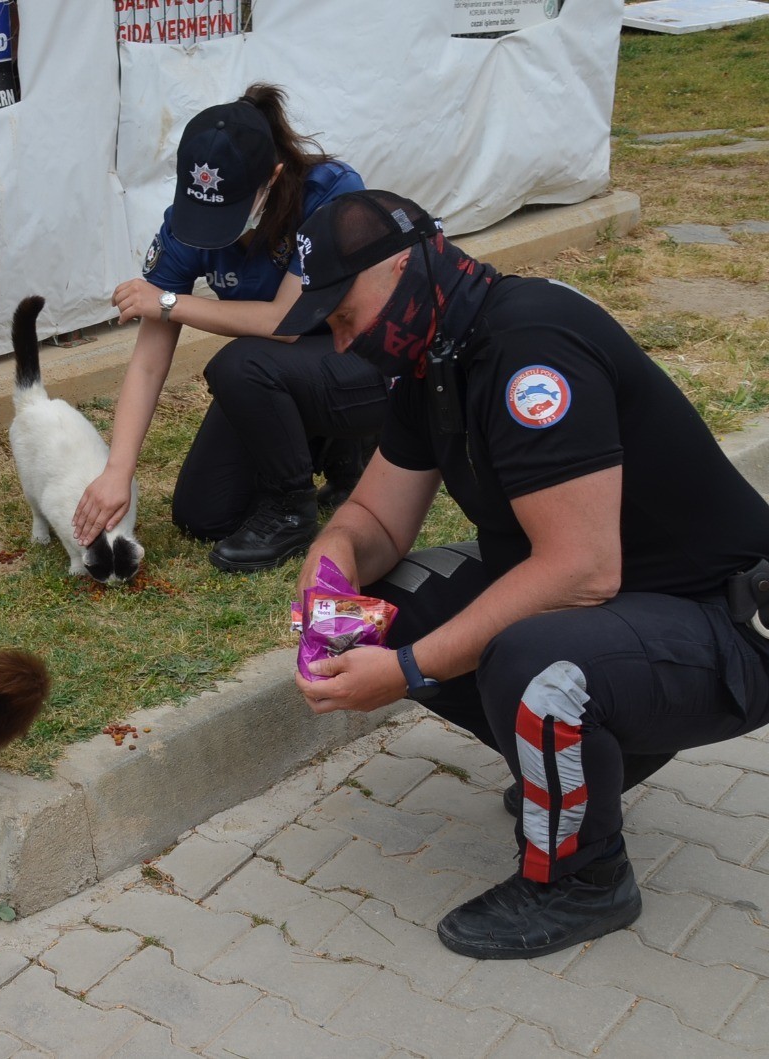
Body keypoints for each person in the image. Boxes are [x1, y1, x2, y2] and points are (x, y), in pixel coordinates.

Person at [284, 189, 769, 959]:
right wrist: (329, 579)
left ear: (408, 267)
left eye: (346, 314)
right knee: (381, 602)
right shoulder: (433, 359)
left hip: (728, 626)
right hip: (633, 610)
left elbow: (581, 569)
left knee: (532, 659)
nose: (341, 343)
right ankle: (592, 762)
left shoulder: (527, 346)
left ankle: (582, 881)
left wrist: (405, 670)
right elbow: (373, 524)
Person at [73, 84, 384, 574]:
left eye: (230, 212)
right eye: (206, 214)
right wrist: (118, 469)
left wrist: (171, 302)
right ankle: (324, 447)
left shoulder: (330, 192)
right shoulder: (182, 222)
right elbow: (150, 360)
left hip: (366, 367)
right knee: (203, 514)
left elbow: (286, 321)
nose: (217, 230)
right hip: (283, 372)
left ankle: (294, 505)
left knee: (239, 364)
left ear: (274, 176)